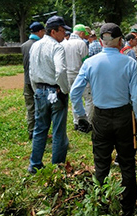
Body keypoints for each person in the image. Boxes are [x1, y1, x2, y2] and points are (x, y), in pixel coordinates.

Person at [70, 23, 137, 216]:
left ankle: (101, 206)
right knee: (127, 164)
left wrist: (81, 117)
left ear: (101, 41)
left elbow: (74, 92)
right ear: (120, 41)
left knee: (101, 165)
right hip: (124, 116)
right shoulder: (129, 63)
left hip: (100, 117)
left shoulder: (90, 63)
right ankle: (128, 209)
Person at [28, 16, 70, 174]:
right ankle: (57, 166)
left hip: (40, 90)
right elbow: (60, 71)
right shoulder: (57, 47)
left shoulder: (35, 46)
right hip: (55, 91)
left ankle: (34, 164)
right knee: (59, 130)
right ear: (54, 31)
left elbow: (31, 71)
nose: (64, 34)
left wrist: (36, 90)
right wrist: (64, 89)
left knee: (40, 129)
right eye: (62, 30)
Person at [61, 24, 93, 130]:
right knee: (88, 99)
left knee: (75, 98)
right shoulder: (81, 43)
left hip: (67, 75)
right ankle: (87, 121)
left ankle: (76, 121)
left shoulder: (63, 44)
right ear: (82, 33)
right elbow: (86, 61)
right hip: (81, 75)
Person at [21, 22, 45, 140]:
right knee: (40, 107)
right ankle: (39, 132)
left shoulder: (24, 45)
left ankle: (31, 131)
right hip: (37, 81)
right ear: (40, 31)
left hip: (26, 80)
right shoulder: (39, 45)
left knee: (30, 107)